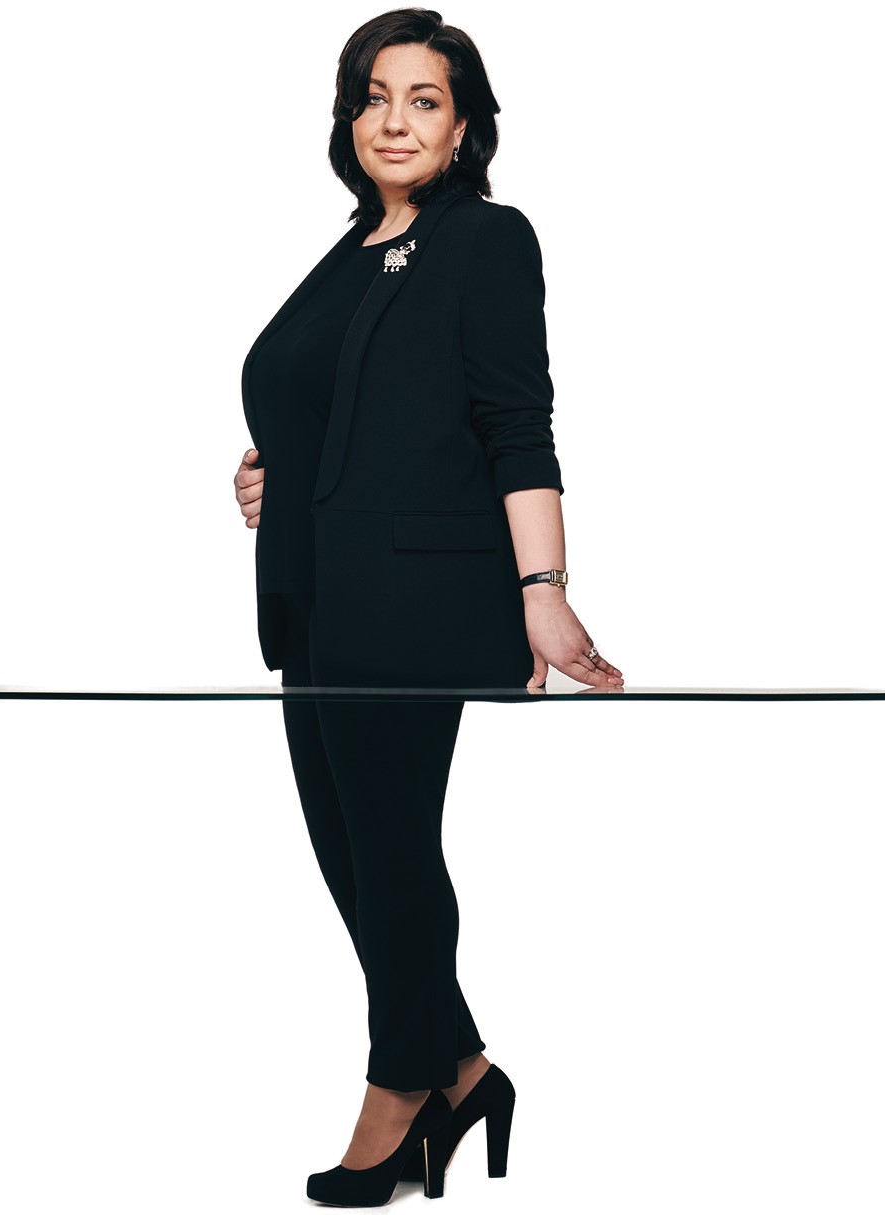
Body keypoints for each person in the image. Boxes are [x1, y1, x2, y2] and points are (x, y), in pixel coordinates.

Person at [234, 9, 623, 1205]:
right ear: (347, 118)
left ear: (463, 128)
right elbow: (341, 409)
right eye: (374, 96)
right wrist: (269, 473)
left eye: (424, 99)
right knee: (353, 857)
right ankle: (465, 1070)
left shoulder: (484, 239)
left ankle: (400, 1086)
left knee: (391, 850)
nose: (393, 121)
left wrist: (545, 592)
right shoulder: (351, 249)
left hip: (409, 600)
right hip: (314, 599)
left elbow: (515, 423)